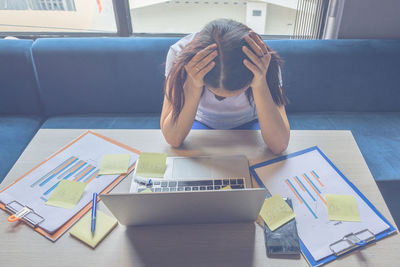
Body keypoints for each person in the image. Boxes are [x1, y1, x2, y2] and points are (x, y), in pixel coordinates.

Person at [161, 19, 290, 154]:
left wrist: (260, 83)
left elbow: (279, 145)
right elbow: (173, 138)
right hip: (200, 121)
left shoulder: (262, 60)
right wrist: (193, 85)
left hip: (250, 122)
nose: (221, 98)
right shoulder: (180, 55)